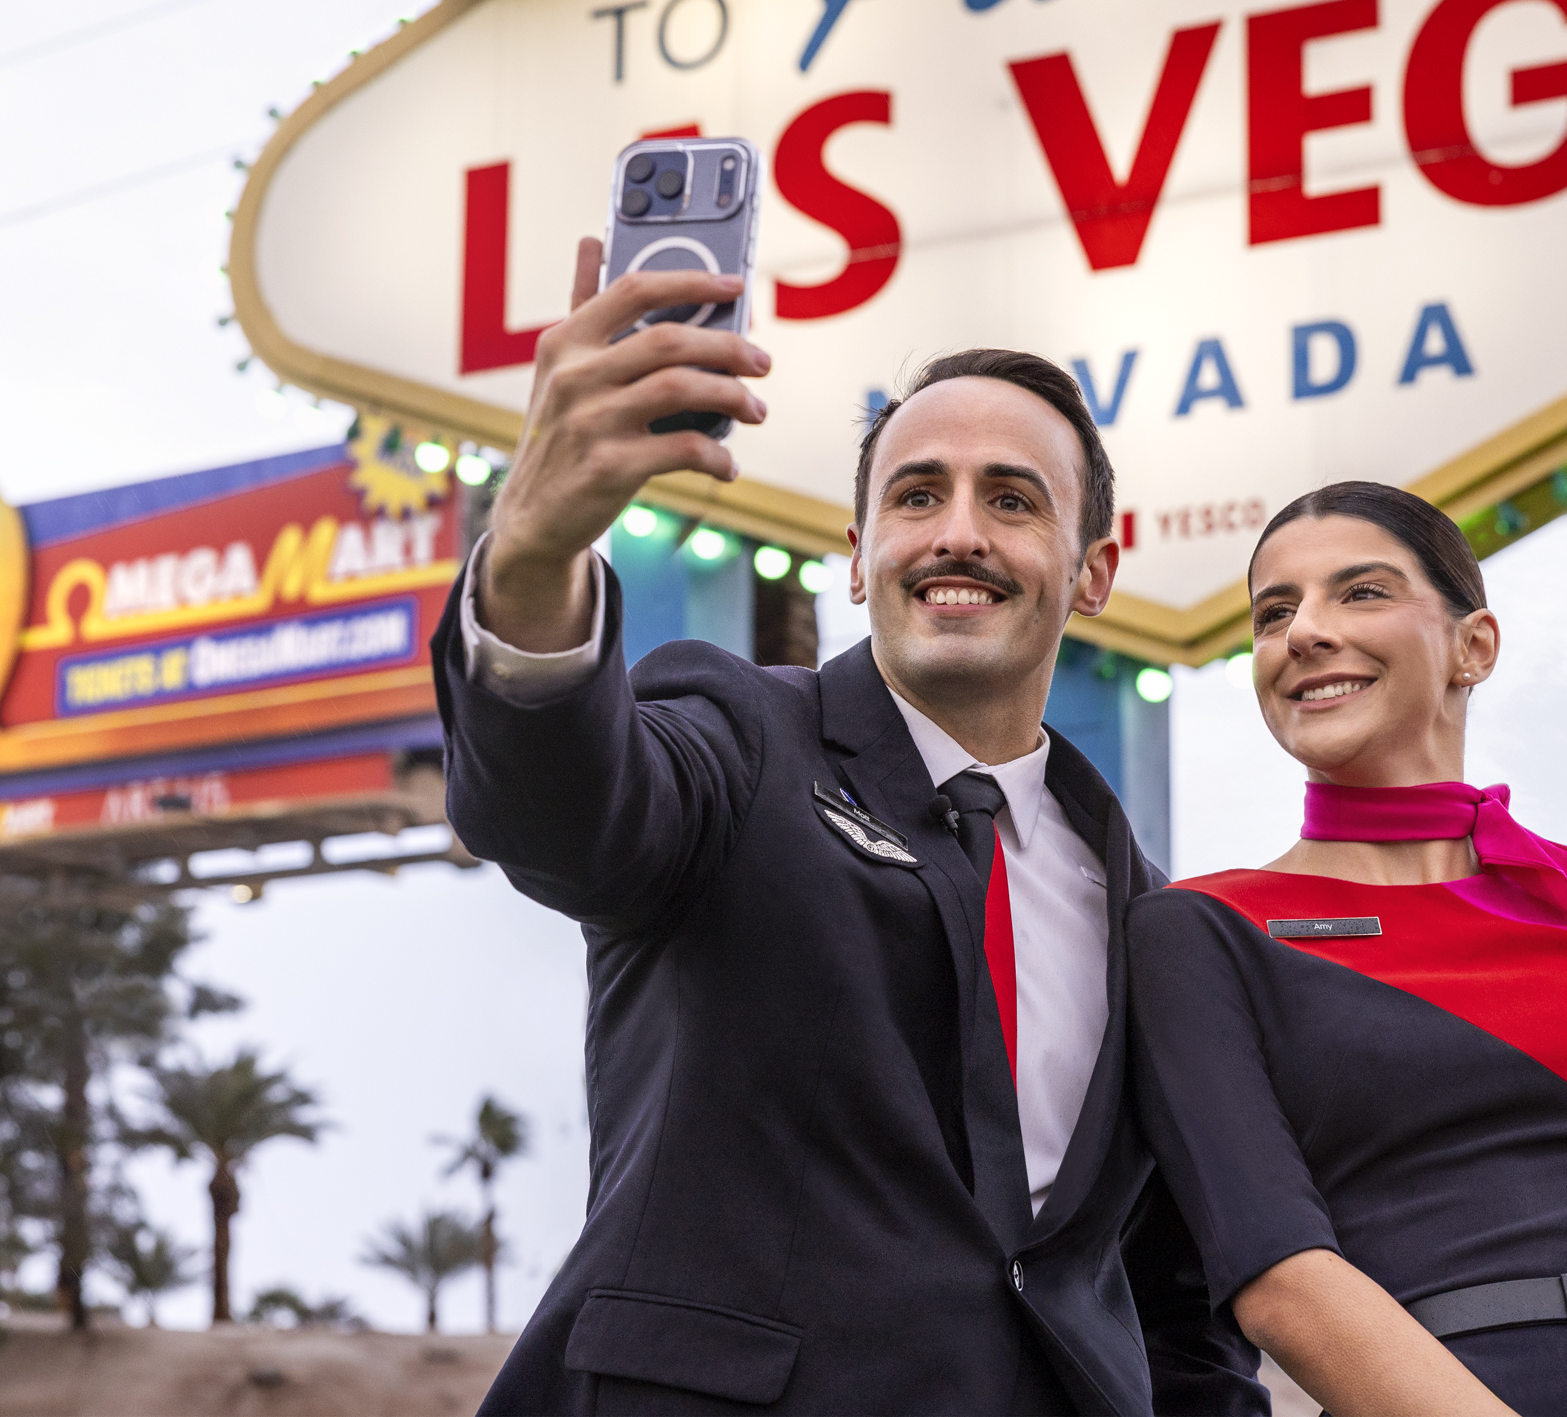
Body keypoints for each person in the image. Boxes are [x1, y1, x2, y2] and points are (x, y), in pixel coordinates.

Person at [430, 237, 1260, 1416]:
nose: (957, 533)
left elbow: (1180, 1309)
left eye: (1011, 500)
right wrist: (532, 551)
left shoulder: (1154, 921)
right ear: (859, 557)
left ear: (1091, 571)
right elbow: (563, 811)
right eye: (916, 495)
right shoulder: (734, 738)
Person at [1127, 482, 1567, 1417]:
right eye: (1275, 612)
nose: (1304, 631)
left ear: (1474, 646)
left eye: (1359, 592)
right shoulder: (1202, 929)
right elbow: (1277, 1274)